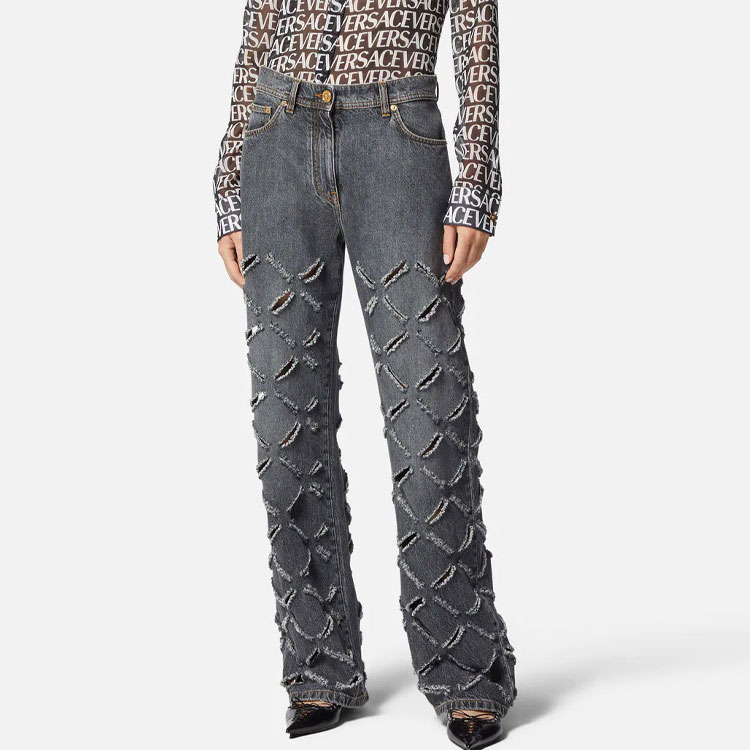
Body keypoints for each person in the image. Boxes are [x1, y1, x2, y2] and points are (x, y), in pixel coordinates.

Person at [213, 0, 516, 746]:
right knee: (284, 424)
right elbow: (258, 29)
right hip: (277, 133)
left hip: (398, 135)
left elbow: (477, 36)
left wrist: (477, 182)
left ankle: (466, 670)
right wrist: (228, 182)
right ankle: (317, 666)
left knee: (429, 412)